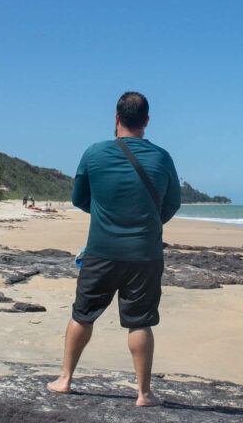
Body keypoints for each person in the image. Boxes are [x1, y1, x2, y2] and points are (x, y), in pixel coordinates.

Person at [47, 91, 181, 406]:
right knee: (140, 321)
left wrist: (109, 217)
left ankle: (65, 379)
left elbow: (80, 199)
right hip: (145, 255)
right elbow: (172, 203)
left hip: (101, 251)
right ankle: (144, 393)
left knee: (82, 315)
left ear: (117, 119)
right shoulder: (161, 157)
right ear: (146, 121)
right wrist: (148, 223)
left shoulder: (94, 153)